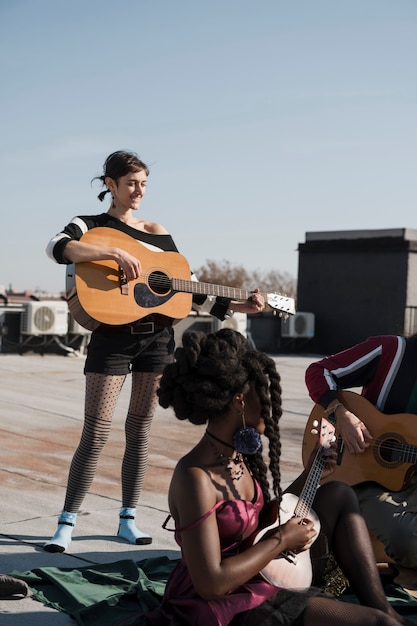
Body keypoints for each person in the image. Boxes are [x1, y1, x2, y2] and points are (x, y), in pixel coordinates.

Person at [44, 150, 265, 553]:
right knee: (95, 432)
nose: (138, 191)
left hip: (157, 341)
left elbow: (187, 285)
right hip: (111, 337)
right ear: (110, 185)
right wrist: (111, 253)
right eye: (131, 183)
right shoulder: (90, 225)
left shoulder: (158, 231)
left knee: (139, 429)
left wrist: (238, 306)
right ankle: (66, 522)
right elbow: (57, 246)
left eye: (144, 183)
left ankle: (127, 518)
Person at [145, 328, 411, 626]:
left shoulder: (236, 454)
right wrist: (282, 540)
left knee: (337, 492)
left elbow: (262, 519)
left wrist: (312, 473)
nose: (272, 409)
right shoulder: (195, 477)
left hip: (257, 569)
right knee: (377, 625)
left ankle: (382, 606)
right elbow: (211, 584)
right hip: (225, 604)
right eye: (265, 396)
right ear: (239, 402)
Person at [305, 333, 417, 570]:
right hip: (364, 478)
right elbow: (319, 371)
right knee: (406, 540)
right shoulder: (392, 350)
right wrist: (341, 414)